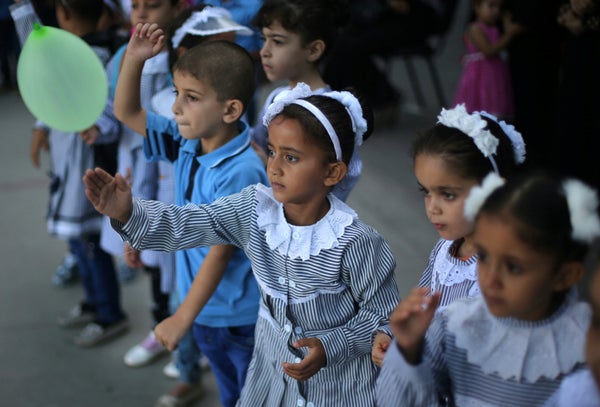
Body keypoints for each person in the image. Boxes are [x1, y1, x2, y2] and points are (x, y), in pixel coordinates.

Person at [83, 82, 401, 406]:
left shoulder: (358, 242)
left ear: (332, 172)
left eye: (291, 157)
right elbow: (188, 223)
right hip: (270, 380)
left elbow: (384, 315)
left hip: (338, 389)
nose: (274, 166)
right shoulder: (254, 209)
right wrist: (127, 211)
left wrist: (331, 346)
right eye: (273, 151)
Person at [113, 23, 268, 407]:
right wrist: (133, 58)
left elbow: (220, 252)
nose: (177, 106)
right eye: (178, 93)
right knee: (231, 392)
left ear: (231, 109)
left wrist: (181, 317)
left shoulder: (242, 170)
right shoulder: (187, 141)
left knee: (250, 397)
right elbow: (126, 111)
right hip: (203, 310)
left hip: (237, 316)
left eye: (192, 97)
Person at [376, 171, 599, 406]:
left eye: (512, 267)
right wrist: (409, 351)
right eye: (482, 256)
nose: (490, 279)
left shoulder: (586, 345)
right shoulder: (455, 325)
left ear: (565, 276)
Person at [371, 103, 526, 367]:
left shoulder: (505, 273)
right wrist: (393, 334)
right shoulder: (445, 248)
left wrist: (411, 357)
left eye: (448, 194)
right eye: (426, 192)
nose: (433, 207)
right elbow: (422, 306)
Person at [16, 0, 128, 346]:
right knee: (80, 244)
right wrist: (42, 129)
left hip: (84, 168)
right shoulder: (91, 53)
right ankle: (94, 303)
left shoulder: (86, 58)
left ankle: (109, 314)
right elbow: (44, 86)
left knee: (90, 244)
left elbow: (33, 53)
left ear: (63, 15)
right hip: (70, 165)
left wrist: (22, 10)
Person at [251, 0, 365, 202]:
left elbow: (345, 179)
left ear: (313, 50)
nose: (264, 51)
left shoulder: (332, 112)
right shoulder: (277, 96)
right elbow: (257, 143)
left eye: (277, 41)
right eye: (263, 39)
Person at [322, 0, 450, 115]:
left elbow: (404, 6)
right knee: (342, 41)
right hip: (382, 14)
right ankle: (331, 100)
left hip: (416, 18)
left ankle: (330, 101)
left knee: (350, 47)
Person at [452, 0, 520, 119]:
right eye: (491, 6)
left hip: (494, 74)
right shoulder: (475, 28)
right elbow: (488, 51)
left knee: (494, 106)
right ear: (477, 7)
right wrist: (509, 34)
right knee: (479, 105)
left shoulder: (494, 28)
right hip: (480, 75)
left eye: (499, 8)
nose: (496, 11)